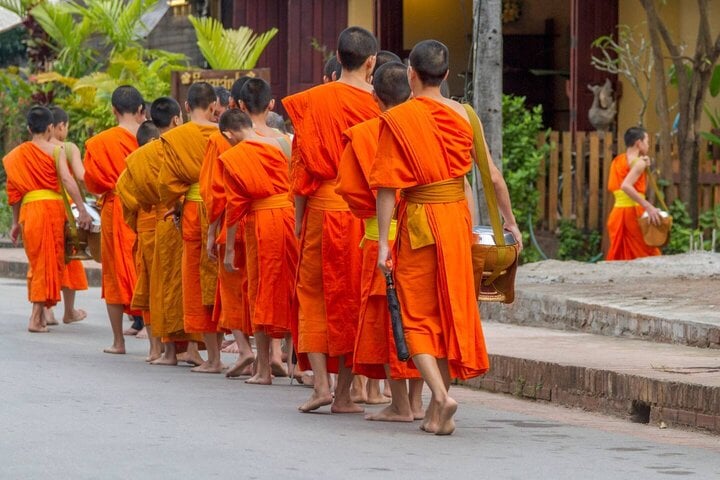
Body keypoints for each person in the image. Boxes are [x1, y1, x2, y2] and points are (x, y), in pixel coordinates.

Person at [372, 40, 522, 435]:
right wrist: (510, 222)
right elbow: (490, 175)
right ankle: (437, 417)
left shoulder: (400, 118)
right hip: (457, 222)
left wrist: (384, 243)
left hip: (420, 220)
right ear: (447, 75)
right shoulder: (466, 115)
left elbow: (387, 187)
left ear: (411, 74)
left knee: (415, 314)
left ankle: (440, 397)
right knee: (448, 308)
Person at [282, 26, 381, 413]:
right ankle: (344, 396)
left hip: (321, 210)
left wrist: (298, 220)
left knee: (314, 297)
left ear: (338, 59)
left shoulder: (312, 102)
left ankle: (320, 386)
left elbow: (301, 170)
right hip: (362, 214)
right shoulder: (380, 104)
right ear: (372, 61)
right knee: (354, 300)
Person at [336, 61, 424, 421]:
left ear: (375, 96)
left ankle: (400, 404)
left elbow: (353, 192)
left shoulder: (368, 133)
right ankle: (417, 402)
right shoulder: (431, 126)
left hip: (381, 236)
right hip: (424, 232)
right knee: (419, 316)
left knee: (390, 321)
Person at [121, 97, 203, 366]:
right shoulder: (187, 141)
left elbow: (126, 192)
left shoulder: (142, 155)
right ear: (178, 118)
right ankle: (190, 347)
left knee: (162, 287)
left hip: (158, 222)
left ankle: (167, 351)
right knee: (187, 285)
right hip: (186, 217)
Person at [220, 109, 298, 385]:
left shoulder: (235, 156)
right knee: (292, 287)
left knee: (261, 292)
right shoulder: (285, 142)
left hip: (263, 225)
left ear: (229, 134)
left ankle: (263, 368)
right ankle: (297, 364)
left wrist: (229, 249)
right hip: (290, 219)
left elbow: (234, 206)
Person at [3, 106, 92, 333]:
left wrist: (15, 223)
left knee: (38, 264)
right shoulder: (55, 151)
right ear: (51, 127)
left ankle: (41, 315)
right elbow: (68, 180)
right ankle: (35, 317)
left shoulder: (17, 155)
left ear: (29, 128)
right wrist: (81, 209)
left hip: (29, 212)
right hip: (51, 210)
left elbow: (14, 192)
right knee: (46, 264)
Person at [157, 82, 220, 373]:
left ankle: (212, 357)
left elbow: (167, 185)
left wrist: (177, 207)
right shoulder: (224, 134)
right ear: (214, 106)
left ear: (185, 107)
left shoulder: (176, 137)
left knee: (196, 281)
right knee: (220, 279)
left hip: (194, 209)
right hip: (222, 210)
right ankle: (229, 351)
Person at [84, 85, 145, 354]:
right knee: (145, 267)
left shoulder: (100, 142)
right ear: (141, 110)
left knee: (114, 274)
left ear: (113, 110)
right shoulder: (150, 138)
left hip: (115, 207)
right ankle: (155, 342)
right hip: (144, 206)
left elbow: (92, 182)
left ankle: (118, 342)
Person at [199, 94, 255, 378]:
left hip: (234, 226)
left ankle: (244, 348)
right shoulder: (277, 140)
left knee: (232, 290)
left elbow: (218, 194)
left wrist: (211, 232)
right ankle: (272, 356)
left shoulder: (221, 143)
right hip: (267, 223)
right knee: (259, 289)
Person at [116, 121, 165, 362]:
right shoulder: (167, 154)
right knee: (170, 286)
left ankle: (156, 349)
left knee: (149, 287)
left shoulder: (132, 167)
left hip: (147, 227)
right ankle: (179, 348)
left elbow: (127, 200)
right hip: (169, 224)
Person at [48, 106, 88, 325]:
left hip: (42, 208)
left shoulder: (33, 149)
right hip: (66, 209)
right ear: (61, 126)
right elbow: (80, 176)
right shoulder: (68, 147)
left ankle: (45, 311)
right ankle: (69, 311)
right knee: (70, 259)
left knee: (46, 259)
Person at [606, 127, 662, 260]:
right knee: (648, 252)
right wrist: (648, 206)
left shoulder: (617, 161)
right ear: (638, 143)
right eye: (647, 141)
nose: (648, 145)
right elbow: (626, 186)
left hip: (618, 212)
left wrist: (643, 165)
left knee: (619, 254)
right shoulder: (639, 163)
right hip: (634, 213)